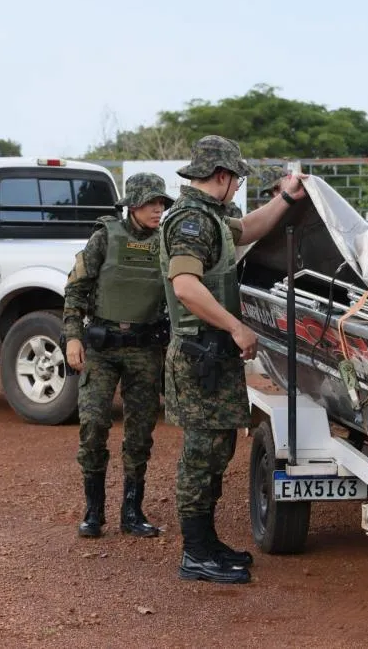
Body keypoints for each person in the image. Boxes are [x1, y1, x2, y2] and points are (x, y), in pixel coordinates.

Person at [159, 135, 308, 584]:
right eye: (237, 179)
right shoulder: (190, 221)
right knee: (202, 453)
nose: (239, 187)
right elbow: (185, 285)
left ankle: (207, 544)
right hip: (199, 352)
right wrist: (235, 326)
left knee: (219, 446)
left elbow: (252, 228)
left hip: (213, 352)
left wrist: (286, 197)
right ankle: (195, 552)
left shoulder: (213, 217)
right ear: (220, 177)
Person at [63, 172, 174, 539]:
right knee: (93, 425)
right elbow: (76, 289)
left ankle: (132, 511)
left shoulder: (167, 242)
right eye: (152, 203)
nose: (159, 209)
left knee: (140, 431)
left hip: (145, 347)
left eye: (162, 203)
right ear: (134, 205)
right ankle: (93, 511)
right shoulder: (104, 237)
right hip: (102, 347)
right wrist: (72, 338)